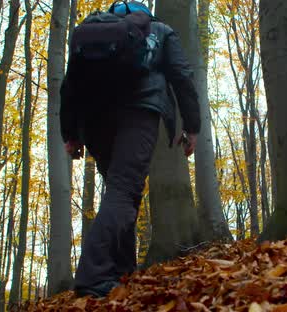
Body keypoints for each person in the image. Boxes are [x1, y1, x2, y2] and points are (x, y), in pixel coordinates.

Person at [59, 1, 200, 298]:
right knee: (124, 192)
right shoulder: (160, 30)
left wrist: (70, 134)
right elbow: (182, 76)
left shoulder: (91, 33)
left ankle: (121, 271)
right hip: (139, 111)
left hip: (93, 120)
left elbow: (69, 86)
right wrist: (193, 126)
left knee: (119, 190)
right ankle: (92, 276)